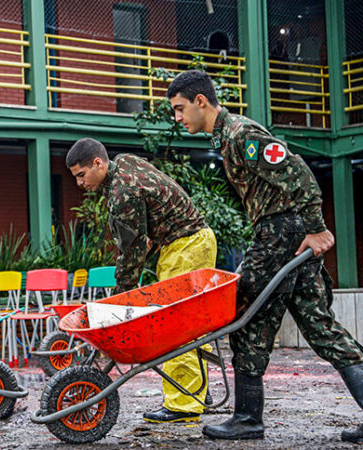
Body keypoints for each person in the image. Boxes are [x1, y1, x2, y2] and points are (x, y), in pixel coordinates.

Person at [166, 70, 363, 442]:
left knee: (245, 315)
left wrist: (316, 228)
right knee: (320, 327)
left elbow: (300, 175)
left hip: (280, 232)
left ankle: (247, 419)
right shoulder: (226, 138)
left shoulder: (242, 135)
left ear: (200, 102)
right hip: (285, 231)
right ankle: (247, 418)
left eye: (179, 109)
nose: (177, 118)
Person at [66, 138, 217, 423]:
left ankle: (183, 405)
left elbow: (131, 252)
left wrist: (118, 302)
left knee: (175, 327)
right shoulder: (124, 161)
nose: (79, 184)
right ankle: (198, 391)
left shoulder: (123, 193)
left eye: (81, 175)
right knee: (191, 324)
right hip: (192, 242)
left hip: (185, 247)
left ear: (98, 163)